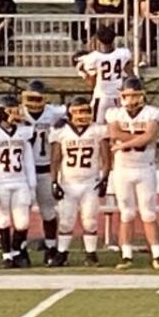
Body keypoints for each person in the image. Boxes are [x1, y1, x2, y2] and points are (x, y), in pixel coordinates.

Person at [105, 77, 159, 271]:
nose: (131, 99)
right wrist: (139, 139)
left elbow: (150, 136)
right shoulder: (114, 113)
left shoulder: (152, 113)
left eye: (134, 95)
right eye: (127, 95)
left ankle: (157, 255)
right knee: (127, 213)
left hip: (145, 168)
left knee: (148, 212)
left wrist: (125, 144)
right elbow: (114, 133)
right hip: (123, 169)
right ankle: (126, 255)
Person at [47, 97, 108, 268]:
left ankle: (91, 253)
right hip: (68, 182)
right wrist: (54, 181)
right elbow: (55, 158)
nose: (83, 115)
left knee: (90, 220)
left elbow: (105, 157)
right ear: (70, 113)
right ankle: (62, 253)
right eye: (78, 111)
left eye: (85, 111)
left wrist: (105, 178)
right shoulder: (62, 131)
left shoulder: (97, 130)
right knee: (66, 220)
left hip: (90, 183)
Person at [0, 96, 36, 268]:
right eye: (11, 111)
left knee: (23, 222)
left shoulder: (22, 131)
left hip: (20, 181)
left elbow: (28, 160)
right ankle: (6, 256)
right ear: (2, 113)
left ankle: (16, 250)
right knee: (3, 219)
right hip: (0, 181)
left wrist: (32, 185)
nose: (16, 114)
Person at [21, 80, 66, 262]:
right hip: (23, 172)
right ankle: (20, 249)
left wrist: (66, 121)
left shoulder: (53, 113)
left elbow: (73, 111)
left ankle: (50, 247)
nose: (32, 102)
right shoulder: (18, 113)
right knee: (22, 212)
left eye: (36, 97)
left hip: (46, 168)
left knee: (48, 211)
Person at [76, 25, 133, 124]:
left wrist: (82, 72)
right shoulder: (123, 53)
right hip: (119, 96)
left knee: (97, 127)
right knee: (119, 124)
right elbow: (129, 70)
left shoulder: (93, 57)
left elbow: (91, 81)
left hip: (101, 96)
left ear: (98, 40)